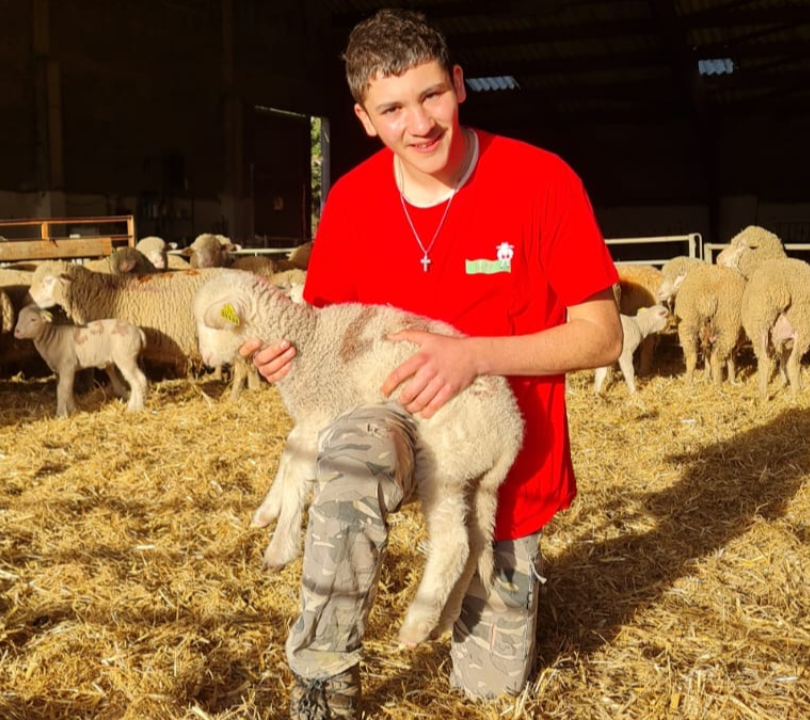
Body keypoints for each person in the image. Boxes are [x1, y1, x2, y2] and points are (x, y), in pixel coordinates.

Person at [239, 8, 624, 719]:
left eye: (430, 96)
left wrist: (472, 355)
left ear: (459, 84)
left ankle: (513, 585)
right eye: (392, 109)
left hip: (497, 455)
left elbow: (603, 337)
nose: (418, 124)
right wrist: (283, 360)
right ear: (363, 118)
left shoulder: (540, 181)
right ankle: (324, 677)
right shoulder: (352, 201)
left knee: (490, 688)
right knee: (350, 456)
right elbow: (323, 334)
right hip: (389, 417)